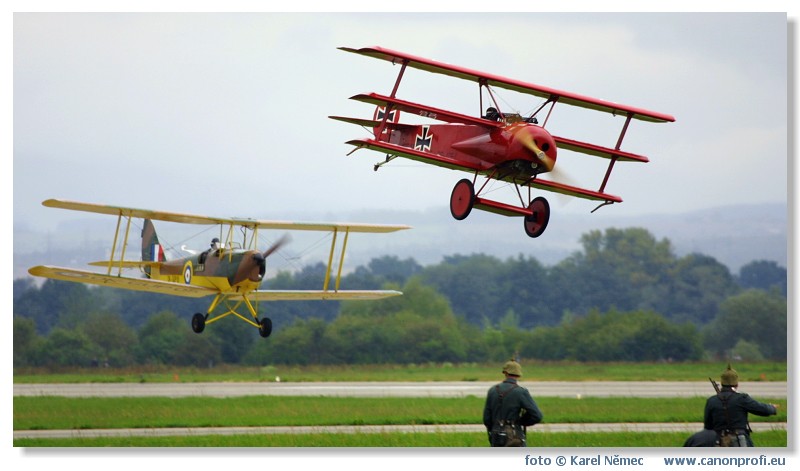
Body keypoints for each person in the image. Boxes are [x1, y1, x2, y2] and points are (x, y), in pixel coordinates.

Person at [703, 363, 778, 447]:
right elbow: (762, 409)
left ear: (722, 383)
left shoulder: (711, 401)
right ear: (736, 384)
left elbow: (708, 426)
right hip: (739, 441)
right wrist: (772, 408)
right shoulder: (741, 398)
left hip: (718, 441)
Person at [483, 358, 543, 447]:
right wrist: (521, 421)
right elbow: (537, 416)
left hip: (496, 436)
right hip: (514, 436)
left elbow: (486, 419)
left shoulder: (492, 390)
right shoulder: (521, 392)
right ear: (518, 375)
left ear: (505, 373)